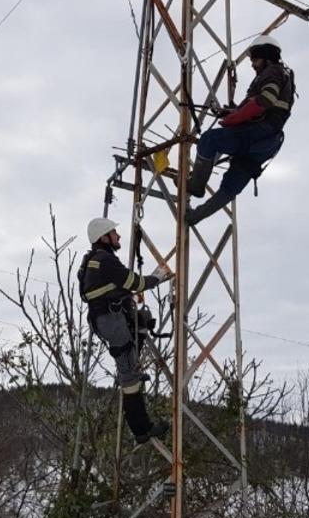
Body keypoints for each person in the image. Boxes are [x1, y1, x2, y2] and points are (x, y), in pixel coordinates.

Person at [79, 218, 173, 444]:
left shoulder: (91, 261)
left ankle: (134, 370)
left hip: (108, 319)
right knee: (128, 377)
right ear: (104, 237)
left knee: (139, 332)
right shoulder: (105, 260)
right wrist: (157, 277)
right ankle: (142, 428)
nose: (118, 237)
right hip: (112, 321)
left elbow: (114, 285)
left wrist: (126, 294)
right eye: (114, 233)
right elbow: (136, 282)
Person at [186, 34, 295, 226]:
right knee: (231, 187)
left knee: (209, 140)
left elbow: (266, 100)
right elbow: (265, 105)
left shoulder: (272, 72)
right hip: (267, 144)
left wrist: (234, 118)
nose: (252, 64)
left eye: (255, 59)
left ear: (266, 56)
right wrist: (233, 112)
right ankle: (194, 217)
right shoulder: (283, 75)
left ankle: (196, 187)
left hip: (258, 133)